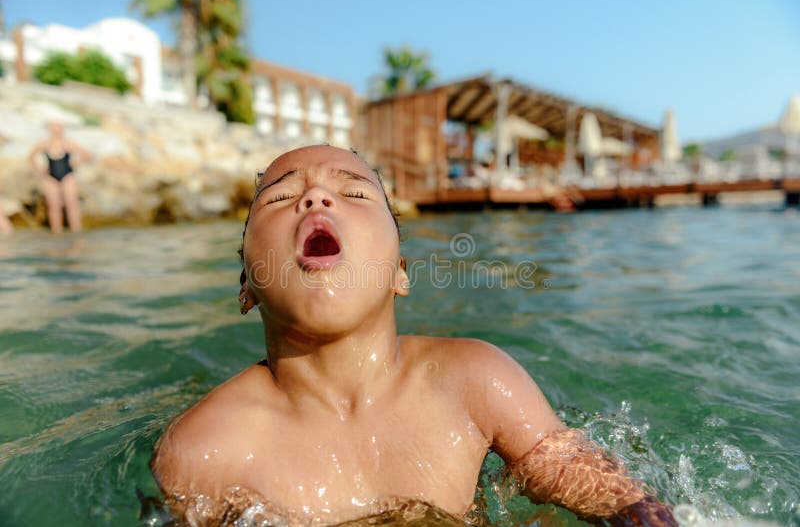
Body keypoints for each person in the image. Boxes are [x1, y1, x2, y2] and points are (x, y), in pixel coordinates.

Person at [151, 145, 677, 526]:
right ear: (248, 287)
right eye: (280, 197)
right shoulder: (204, 450)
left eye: (353, 192)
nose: (314, 198)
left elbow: (609, 495)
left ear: (400, 273)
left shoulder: (474, 382)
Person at [28, 122, 92, 233]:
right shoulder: (44, 144)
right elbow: (30, 158)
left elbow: (87, 155)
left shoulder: (68, 143)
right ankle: (56, 233)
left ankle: (76, 231)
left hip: (68, 176)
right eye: (54, 126)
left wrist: (76, 163)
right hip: (50, 177)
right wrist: (40, 170)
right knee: (54, 206)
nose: (56, 129)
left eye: (58, 126)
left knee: (72, 205)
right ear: (50, 128)